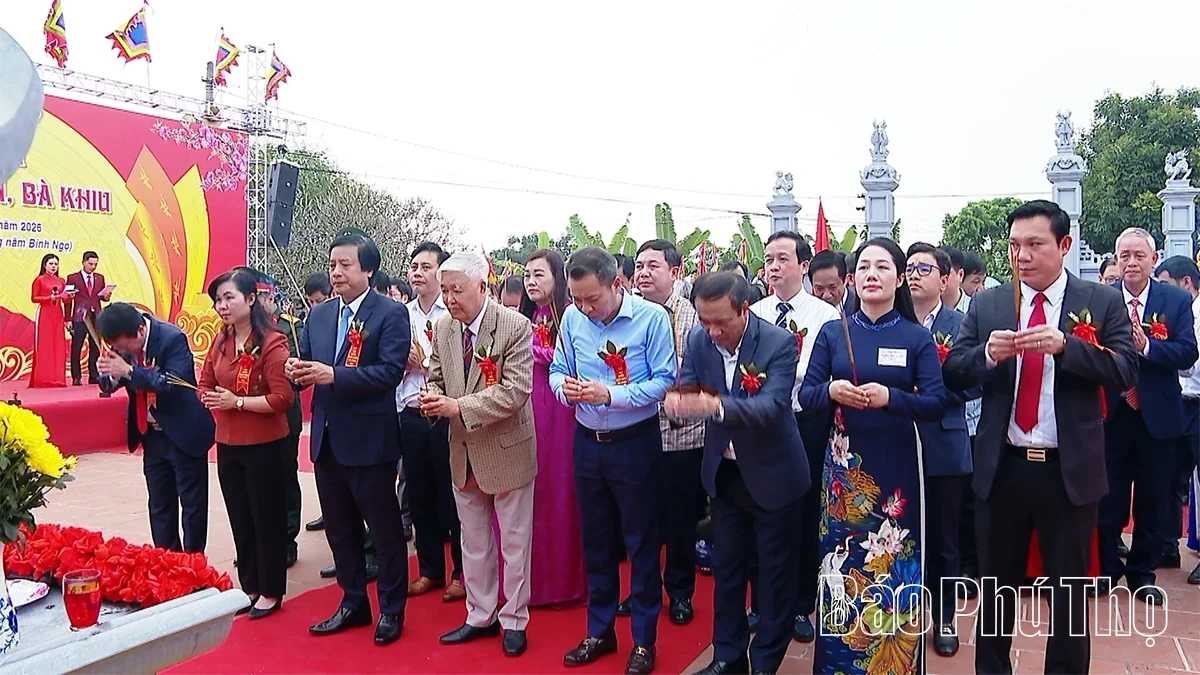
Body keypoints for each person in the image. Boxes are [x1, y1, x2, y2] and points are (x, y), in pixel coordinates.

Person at [943, 199, 1139, 674]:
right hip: (1003, 466)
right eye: (1014, 246)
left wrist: (1067, 346)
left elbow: (1126, 369)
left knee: (1068, 597)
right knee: (996, 592)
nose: (1021, 256)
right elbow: (953, 373)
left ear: (1064, 245)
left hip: (1067, 470)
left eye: (1034, 244)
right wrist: (986, 357)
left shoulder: (1100, 301)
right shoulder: (989, 303)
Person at [799, 237, 948, 674]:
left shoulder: (916, 336)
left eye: (882, 267)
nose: (871, 275)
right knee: (840, 566)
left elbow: (937, 402)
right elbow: (807, 395)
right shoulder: (832, 332)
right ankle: (837, 665)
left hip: (898, 466)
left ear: (899, 278)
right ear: (852, 279)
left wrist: (891, 398)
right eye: (863, 267)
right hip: (844, 473)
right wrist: (830, 390)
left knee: (894, 566)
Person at [672, 272, 808, 675]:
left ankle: (765, 662)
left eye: (721, 322)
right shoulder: (698, 340)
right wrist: (680, 402)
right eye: (704, 321)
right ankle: (728, 658)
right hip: (727, 476)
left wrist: (714, 408)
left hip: (775, 476)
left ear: (744, 309)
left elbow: (772, 406)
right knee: (727, 573)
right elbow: (692, 386)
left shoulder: (778, 342)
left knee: (773, 578)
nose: (712, 331)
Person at [550, 247, 675, 675]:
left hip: (634, 442)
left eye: (592, 299)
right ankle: (600, 631)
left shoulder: (651, 319)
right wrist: (561, 389)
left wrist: (611, 395)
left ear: (616, 284)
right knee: (596, 542)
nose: (584, 308)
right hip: (588, 442)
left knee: (640, 544)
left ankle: (644, 641)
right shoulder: (570, 318)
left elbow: (664, 381)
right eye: (577, 299)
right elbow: (556, 368)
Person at [287, 233, 411, 646]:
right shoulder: (319, 316)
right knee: (340, 531)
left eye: (345, 265)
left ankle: (392, 610)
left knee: (385, 530)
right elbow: (308, 365)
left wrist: (333, 375)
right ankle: (353, 601)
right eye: (333, 265)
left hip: (371, 442)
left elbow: (390, 373)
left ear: (368, 269)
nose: (336, 273)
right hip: (326, 441)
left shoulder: (390, 313)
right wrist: (297, 370)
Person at [419, 253, 536, 657]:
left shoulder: (515, 326)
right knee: (473, 541)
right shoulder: (445, 327)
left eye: (457, 290)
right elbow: (436, 374)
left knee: (515, 542)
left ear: (482, 287)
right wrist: (432, 397)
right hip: (462, 450)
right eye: (446, 290)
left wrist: (458, 408)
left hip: (506, 450)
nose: (450, 299)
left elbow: (516, 391)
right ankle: (480, 614)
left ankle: (515, 619)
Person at [1095, 228, 1196, 604]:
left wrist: (1148, 346)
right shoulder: (1102, 299)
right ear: (1117, 260)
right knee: (1108, 497)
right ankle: (1106, 569)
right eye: (1125, 256)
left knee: (1153, 499)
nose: (1132, 262)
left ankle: (1141, 573)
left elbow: (1187, 352)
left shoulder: (1173, 299)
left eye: (1139, 255)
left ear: (1154, 259)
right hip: (1112, 412)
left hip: (1158, 415)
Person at [752, 231, 839, 642]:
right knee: (757, 513)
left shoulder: (826, 317)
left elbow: (821, 374)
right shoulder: (753, 311)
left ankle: (803, 604)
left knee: (803, 514)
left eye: (783, 258)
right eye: (769, 258)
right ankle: (759, 603)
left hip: (803, 423)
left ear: (804, 266)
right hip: (756, 426)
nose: (773, 266)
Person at [198, 269, 294, 620]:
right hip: (228, 443)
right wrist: (209, 399)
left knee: (266, 517)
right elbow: (205, 383)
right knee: (240, 516)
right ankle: (249, 585)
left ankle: (271, 590)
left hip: (264, 444)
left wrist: (236, 403)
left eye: (228, 298)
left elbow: (282, 399)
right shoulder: (220, 341)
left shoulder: (272, 341)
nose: (222, 306)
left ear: (250, 299)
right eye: (217, 301)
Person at [97, 301, 215, 552]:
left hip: (183, 433)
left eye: (124, 347)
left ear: (140, 330)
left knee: (192, 507)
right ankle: (167, 564)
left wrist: (128, 370)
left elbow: (171, 382)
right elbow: (109, 385)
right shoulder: (123, 340)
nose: (121, 351)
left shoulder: (172, 338)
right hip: (151, 435)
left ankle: (194, 567)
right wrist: (109, 375)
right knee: (160, 505)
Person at [906, 242, 977, 657]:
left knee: (945, 539)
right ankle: (900, 614)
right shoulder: (892, 323)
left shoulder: (962, 324)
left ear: (945, 278)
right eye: (910, 267)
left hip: (946, 442)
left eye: (925, 268)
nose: (915, 274)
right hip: (897, 441)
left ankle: (945, 616)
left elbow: (976, 382)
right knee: (900, 536)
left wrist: (930, 392)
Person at [633, 239, 704, 625]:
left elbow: (701, 373)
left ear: (674, 272)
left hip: (682, 434)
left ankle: (679, 592)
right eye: (639, 266)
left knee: (679, 521)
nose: (643, 273)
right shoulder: (628, 314)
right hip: (638, 431)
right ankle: (642, 590)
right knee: (640, 518)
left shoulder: (694, 317)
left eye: (653, 266)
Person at [519, 248, 587, 608]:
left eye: (539, 275)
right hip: (528, 411)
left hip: (561, 414)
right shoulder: (525, 319)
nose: (531, 281)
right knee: (531, 493)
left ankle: (562, 583)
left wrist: (533, 348)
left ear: (558, 278)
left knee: (559, 493)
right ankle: (528, 582)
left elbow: (573, 361)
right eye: (527, 275)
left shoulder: (574, 318)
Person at [398, 242, 465, 602]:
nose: (417, 273)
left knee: (451, 497)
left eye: (426, 267)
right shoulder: (401, 314)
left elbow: (457, 371)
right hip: (409, 412)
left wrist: (424, 365)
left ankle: (461, 571)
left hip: (444, 415)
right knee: (418, 494)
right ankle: (429, 570)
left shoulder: (451, 315)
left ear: (441, 273)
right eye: (414, 266)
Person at [1155, 255, 1200, 583]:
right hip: (1177, 403)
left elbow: (1188, 357)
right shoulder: (1171, 309)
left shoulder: (1187, 312)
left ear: (1186, 284)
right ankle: (1167, 544)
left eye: (1167, 284)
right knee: (1170, 478)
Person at [65, 251, 112, 389]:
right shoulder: (73, 278)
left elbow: (101, 297)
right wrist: (67, 319)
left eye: (95, 264)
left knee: (95, 348)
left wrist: (107, 296)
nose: (93, 267)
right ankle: (76, 377)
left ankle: (93, 375)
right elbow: (68, 300)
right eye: (91, 264)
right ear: (83, 262)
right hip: (79, 317)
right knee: (76, 347)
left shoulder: (99, 278)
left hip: (96, 317)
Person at [29, 253, 69, 388]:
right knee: (45, 345)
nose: (54, 266)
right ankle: (43, 379)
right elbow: (34, 298)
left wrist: (69, 296)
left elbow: (65, 299)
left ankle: (57, 378)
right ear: (44, 265)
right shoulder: (39, 280)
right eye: (51, 264)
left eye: (56, 264)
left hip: (57, 314)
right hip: (44, 314)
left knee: (58, 345)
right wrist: (48, 298)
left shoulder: (61, 280)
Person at [809, 249, 856, 316]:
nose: (826, 295)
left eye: (832, 287)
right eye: (819, 289)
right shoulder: (809, 311)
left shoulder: (860, 309)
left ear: (845, 280)